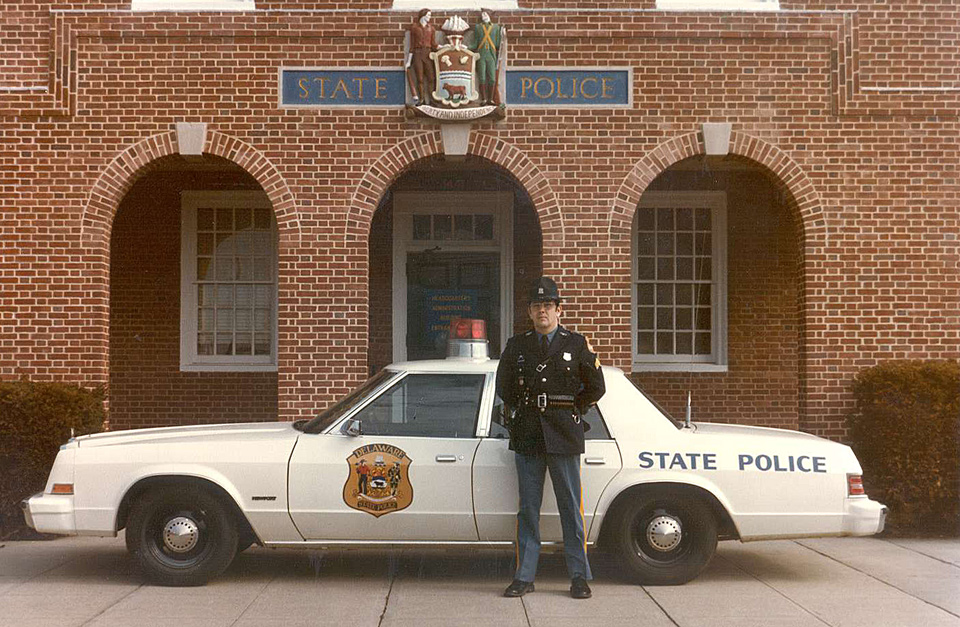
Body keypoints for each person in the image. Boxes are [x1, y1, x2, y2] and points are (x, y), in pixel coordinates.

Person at [495, 276, 605, 600]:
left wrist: (575, 409)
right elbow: (505, 387)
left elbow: (597, 386)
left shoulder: (576, 344)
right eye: (537, 305)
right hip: (528, 433)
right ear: (529, 311)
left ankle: (578, 576)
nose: (543, 311)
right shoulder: (517, 346)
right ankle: (525, 575)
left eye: (548, 305)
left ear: (559, 309)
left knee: (570, 507)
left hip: (564, 434)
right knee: (528, 509)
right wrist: (524, 410)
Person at [469, 10, 503, 105]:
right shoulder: (478, 27)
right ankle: (484, 99)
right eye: (482, 14)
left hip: (491, 55)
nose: (484, 16)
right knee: (482, 77)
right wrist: (467, 47)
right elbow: (475, 43)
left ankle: (491, 99)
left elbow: (497, 43)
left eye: (485, 14)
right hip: (481, 54)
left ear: (489, 15)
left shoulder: (496, 28)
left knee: (492, 78)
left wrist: (502, 35)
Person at [406, 9, 438, 105]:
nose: (429, 17)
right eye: (428, 15)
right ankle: (422, 99)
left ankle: (432, 99)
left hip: (428, 54)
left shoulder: (431, 29)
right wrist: (409, 61)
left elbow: (434, 44)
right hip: (417, 53)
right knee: (419, 78)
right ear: (423, 15)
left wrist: (443, 47)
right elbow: (411, 46)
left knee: (431, 77)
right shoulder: (415, 28)